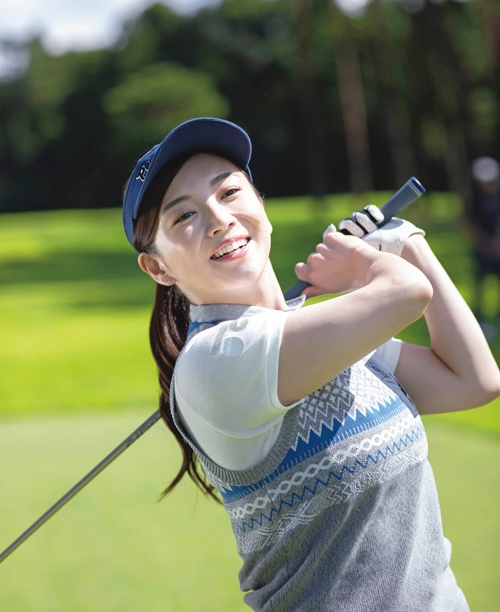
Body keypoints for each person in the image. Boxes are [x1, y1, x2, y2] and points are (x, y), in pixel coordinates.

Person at [122, 117, 500, 612]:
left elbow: (473, 381)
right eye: (183, 217)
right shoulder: (215, 363)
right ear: (158, 267)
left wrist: (405, 241)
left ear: (261, 203)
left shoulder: (324, 337)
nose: (219, 219)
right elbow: (407, 292)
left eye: (230, 192)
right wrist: (363, 264)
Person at [468, 156, 500, 332]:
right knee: (480, 286)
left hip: (497, 251)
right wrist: (486, 244)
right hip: (482, 251)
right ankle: (479, 319)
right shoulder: (475, 200)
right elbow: (471, 226)